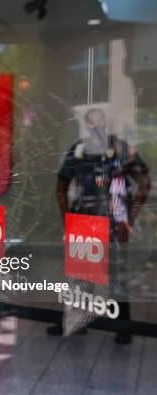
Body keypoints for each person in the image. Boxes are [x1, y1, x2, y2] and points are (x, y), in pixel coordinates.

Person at [48, 108, 151, 344]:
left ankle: (123, 327)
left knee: (116, 275)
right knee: (81, 275)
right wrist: (67, 218)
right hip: (84, 221)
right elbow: (61, 183)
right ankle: (77, 322)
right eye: (93, 122)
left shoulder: (121, 149)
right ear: (87, 124)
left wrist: (129, 218)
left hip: (114, 222)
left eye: (101, 121)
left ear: (107, 123)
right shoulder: (79, 150)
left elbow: (144, 183)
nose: (97, 126)